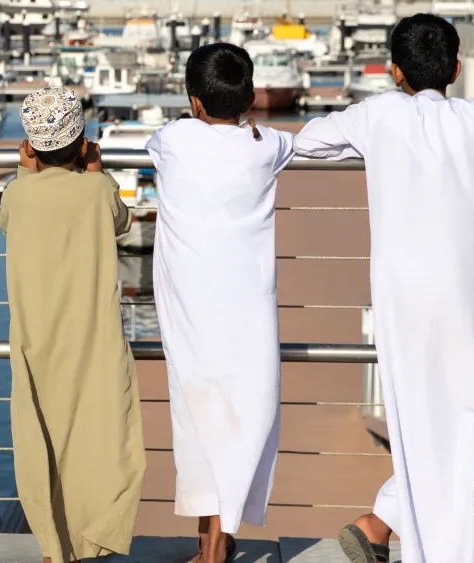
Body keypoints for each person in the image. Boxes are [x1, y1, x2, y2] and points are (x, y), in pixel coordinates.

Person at [292, 13, 474, 563]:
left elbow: (307, 144)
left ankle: (395, 528)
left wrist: (366, 145)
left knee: (414, 421)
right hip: (468, 295)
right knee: (462, 425)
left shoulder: (376, 116)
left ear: (394, 71)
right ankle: (401, 530)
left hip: (403, 296)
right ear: (458, 69)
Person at [146, 43, 296, 563]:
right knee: (242, 416)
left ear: (193, 101)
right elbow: (290, 144)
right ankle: (218, 541)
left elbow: (159, 142)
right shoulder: (266, 146)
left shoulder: (172, 139)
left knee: (196, 419)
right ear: (249, 97)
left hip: (189, 309)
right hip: (248, 308)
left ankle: (211, 546)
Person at [0, 87, 146, 563]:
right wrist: (98, 171)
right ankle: (94, 535)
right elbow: (120, 219)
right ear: (83, 145)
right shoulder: (97, 190)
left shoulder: (17, 194)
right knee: (99, 434)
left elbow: (8, 218)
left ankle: (51, 543)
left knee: (41, 432)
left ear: (30, 146)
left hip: (36, 339)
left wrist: (26, 170)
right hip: (93, 337)